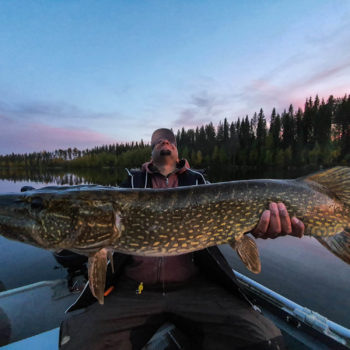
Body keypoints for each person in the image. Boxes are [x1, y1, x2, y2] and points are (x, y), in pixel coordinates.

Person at [59, 128, 305, 350]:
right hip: (137, 289)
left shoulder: (199, 183)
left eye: (170, 140)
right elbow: (98, 227)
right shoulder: (130, 184)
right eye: (157, 141)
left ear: (177, 152)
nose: (164, 141)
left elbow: (234, 217)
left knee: (264, 340)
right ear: (151, 152)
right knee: (79, 342)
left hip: (194, 287)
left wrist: (254, 226)